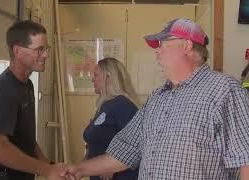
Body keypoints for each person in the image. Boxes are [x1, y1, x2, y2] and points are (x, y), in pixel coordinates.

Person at [66, 18, 249, 180]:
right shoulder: (157, 98)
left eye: (162, 44)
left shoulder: (224, 91)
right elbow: (124, 151)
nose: (157, 52)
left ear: (187, 46)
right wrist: (78, 169)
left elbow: (246, 159)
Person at [0, 20, 67, 180]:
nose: (46, 55)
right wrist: (46, 170)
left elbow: (27, 140)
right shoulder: (4, 89)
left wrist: (50, 167)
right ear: (17, 51)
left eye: (45, 49)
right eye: (39, 50)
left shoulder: (27, 85)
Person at [83, 58, 139, 180]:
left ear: (108, 77)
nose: (92, 79)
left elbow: (136, 142)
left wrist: (110, 165)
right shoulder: (104, 105)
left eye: (96, 75)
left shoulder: (123, 105)